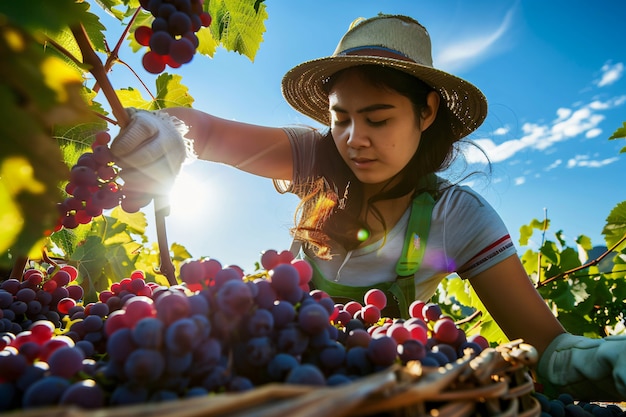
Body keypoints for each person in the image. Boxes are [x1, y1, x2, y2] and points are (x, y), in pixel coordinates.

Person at [110, 14, 626, 401]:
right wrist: (164, 135)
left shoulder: (457, 217)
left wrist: (606, 359)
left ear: (426, 113)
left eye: (378, 119)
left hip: (381, 399)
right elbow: (207, 130)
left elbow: (547, 350)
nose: (354, 140)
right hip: (275, 387)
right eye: (342, 119)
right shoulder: (314, 158)